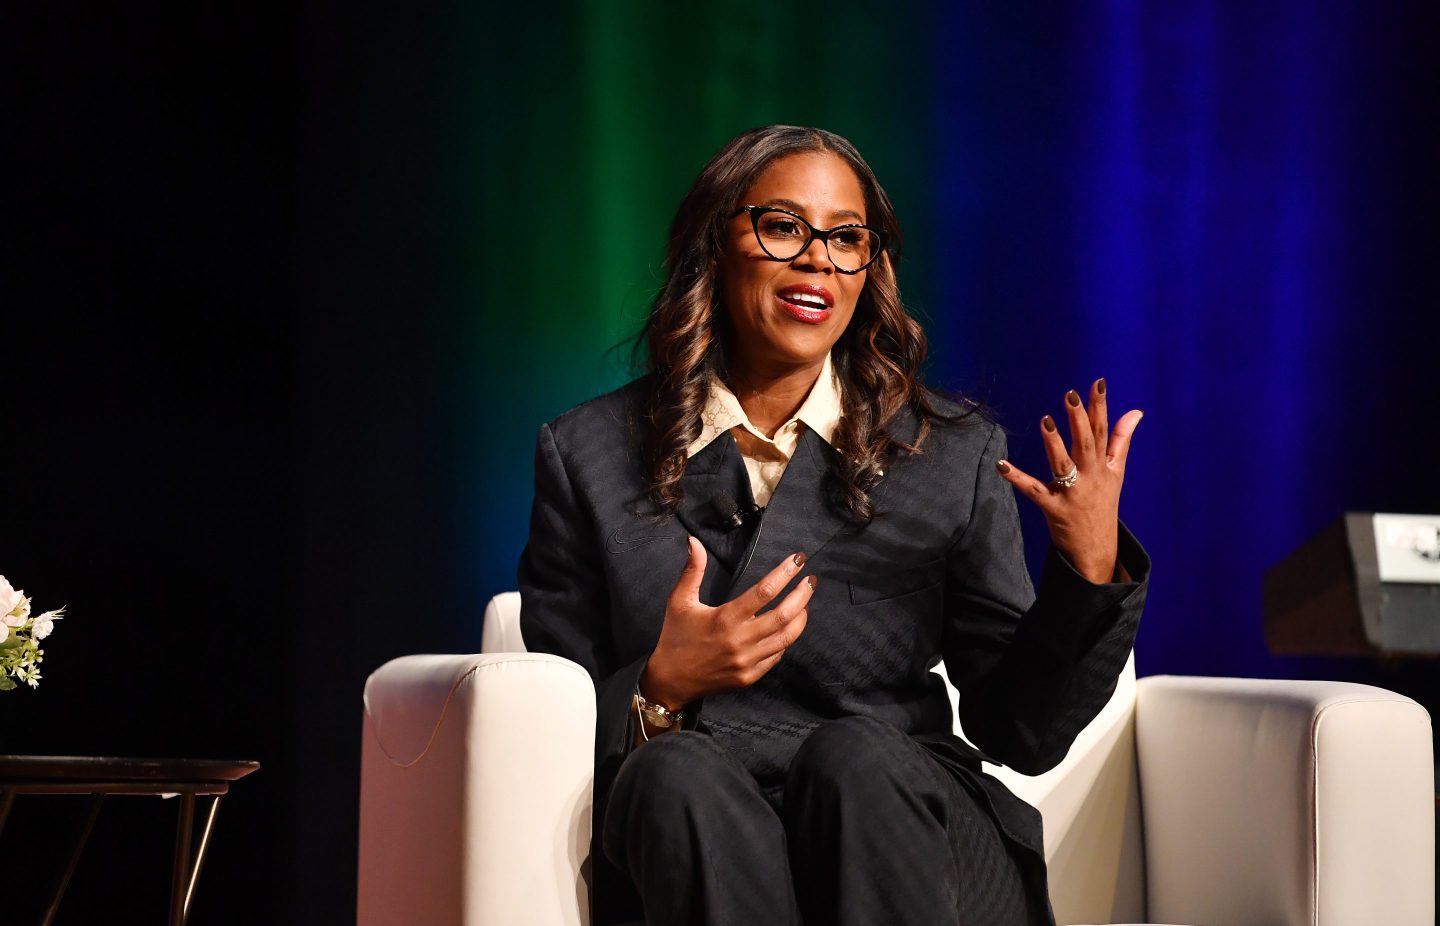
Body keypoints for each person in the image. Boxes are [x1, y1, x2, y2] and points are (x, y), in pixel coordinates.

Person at [518, 125, 1149, 926]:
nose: (819, 257)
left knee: (852, 759)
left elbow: (1019, 732)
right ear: (716, 245)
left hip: (902, 832)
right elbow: (550, 723)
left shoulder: (946, 454)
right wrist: (661, 684)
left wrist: (1088, 573)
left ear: (868, 268)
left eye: (848, 238)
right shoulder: (591, 454)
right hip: (699, 842)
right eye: (783, 226)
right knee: (673, 773)